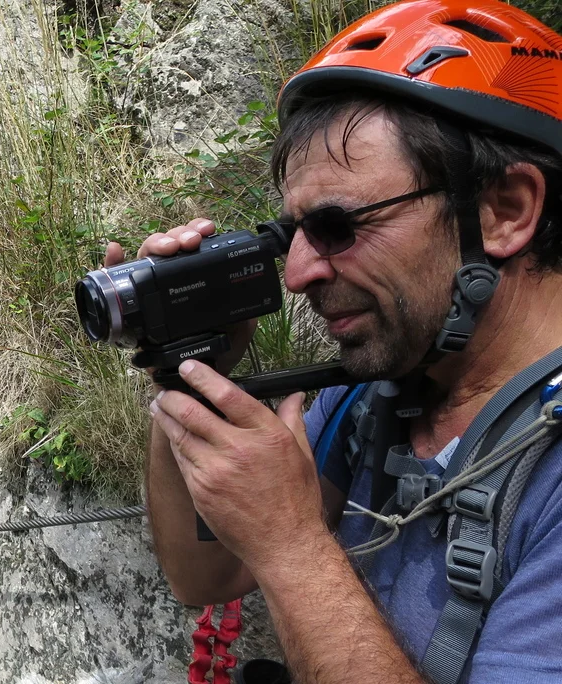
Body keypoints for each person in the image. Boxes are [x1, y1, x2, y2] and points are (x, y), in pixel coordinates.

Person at [107, 2, 562, 682]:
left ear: (505, 212)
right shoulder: (382, 393)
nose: (297, 274)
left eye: (338, 226)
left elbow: (273, 551)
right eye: (293, 234)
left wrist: (293, 545)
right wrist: (186, 363)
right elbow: (207, 572)